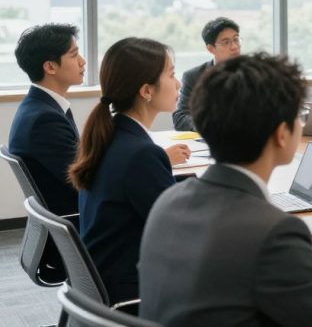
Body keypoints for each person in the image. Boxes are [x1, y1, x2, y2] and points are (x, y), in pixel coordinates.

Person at [139, 52, 312, 326]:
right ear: (281, 134)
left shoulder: (169, 201)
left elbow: (234, 273)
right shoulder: (273, 233)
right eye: (299, 117)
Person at [68, 38, 189, 304]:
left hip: (104, 281)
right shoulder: (141, 154)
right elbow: (180, 231)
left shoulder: (111, 134)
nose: (178, 83)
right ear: (146, 90)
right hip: (130, 291)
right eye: (171, 74)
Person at [9, 24, 85, 217]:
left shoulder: (41, 106)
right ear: (50, 67)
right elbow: (86, 177)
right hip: (77, 218)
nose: (82, 62)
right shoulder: (44, 120)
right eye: (74, 55)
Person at [172, 17, 241, 131]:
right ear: (211, 49)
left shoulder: (255, 73)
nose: (234, 46)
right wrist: (210, 124)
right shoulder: (193, 77)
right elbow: (180, 118)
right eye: (226, 42)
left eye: (236, 39)